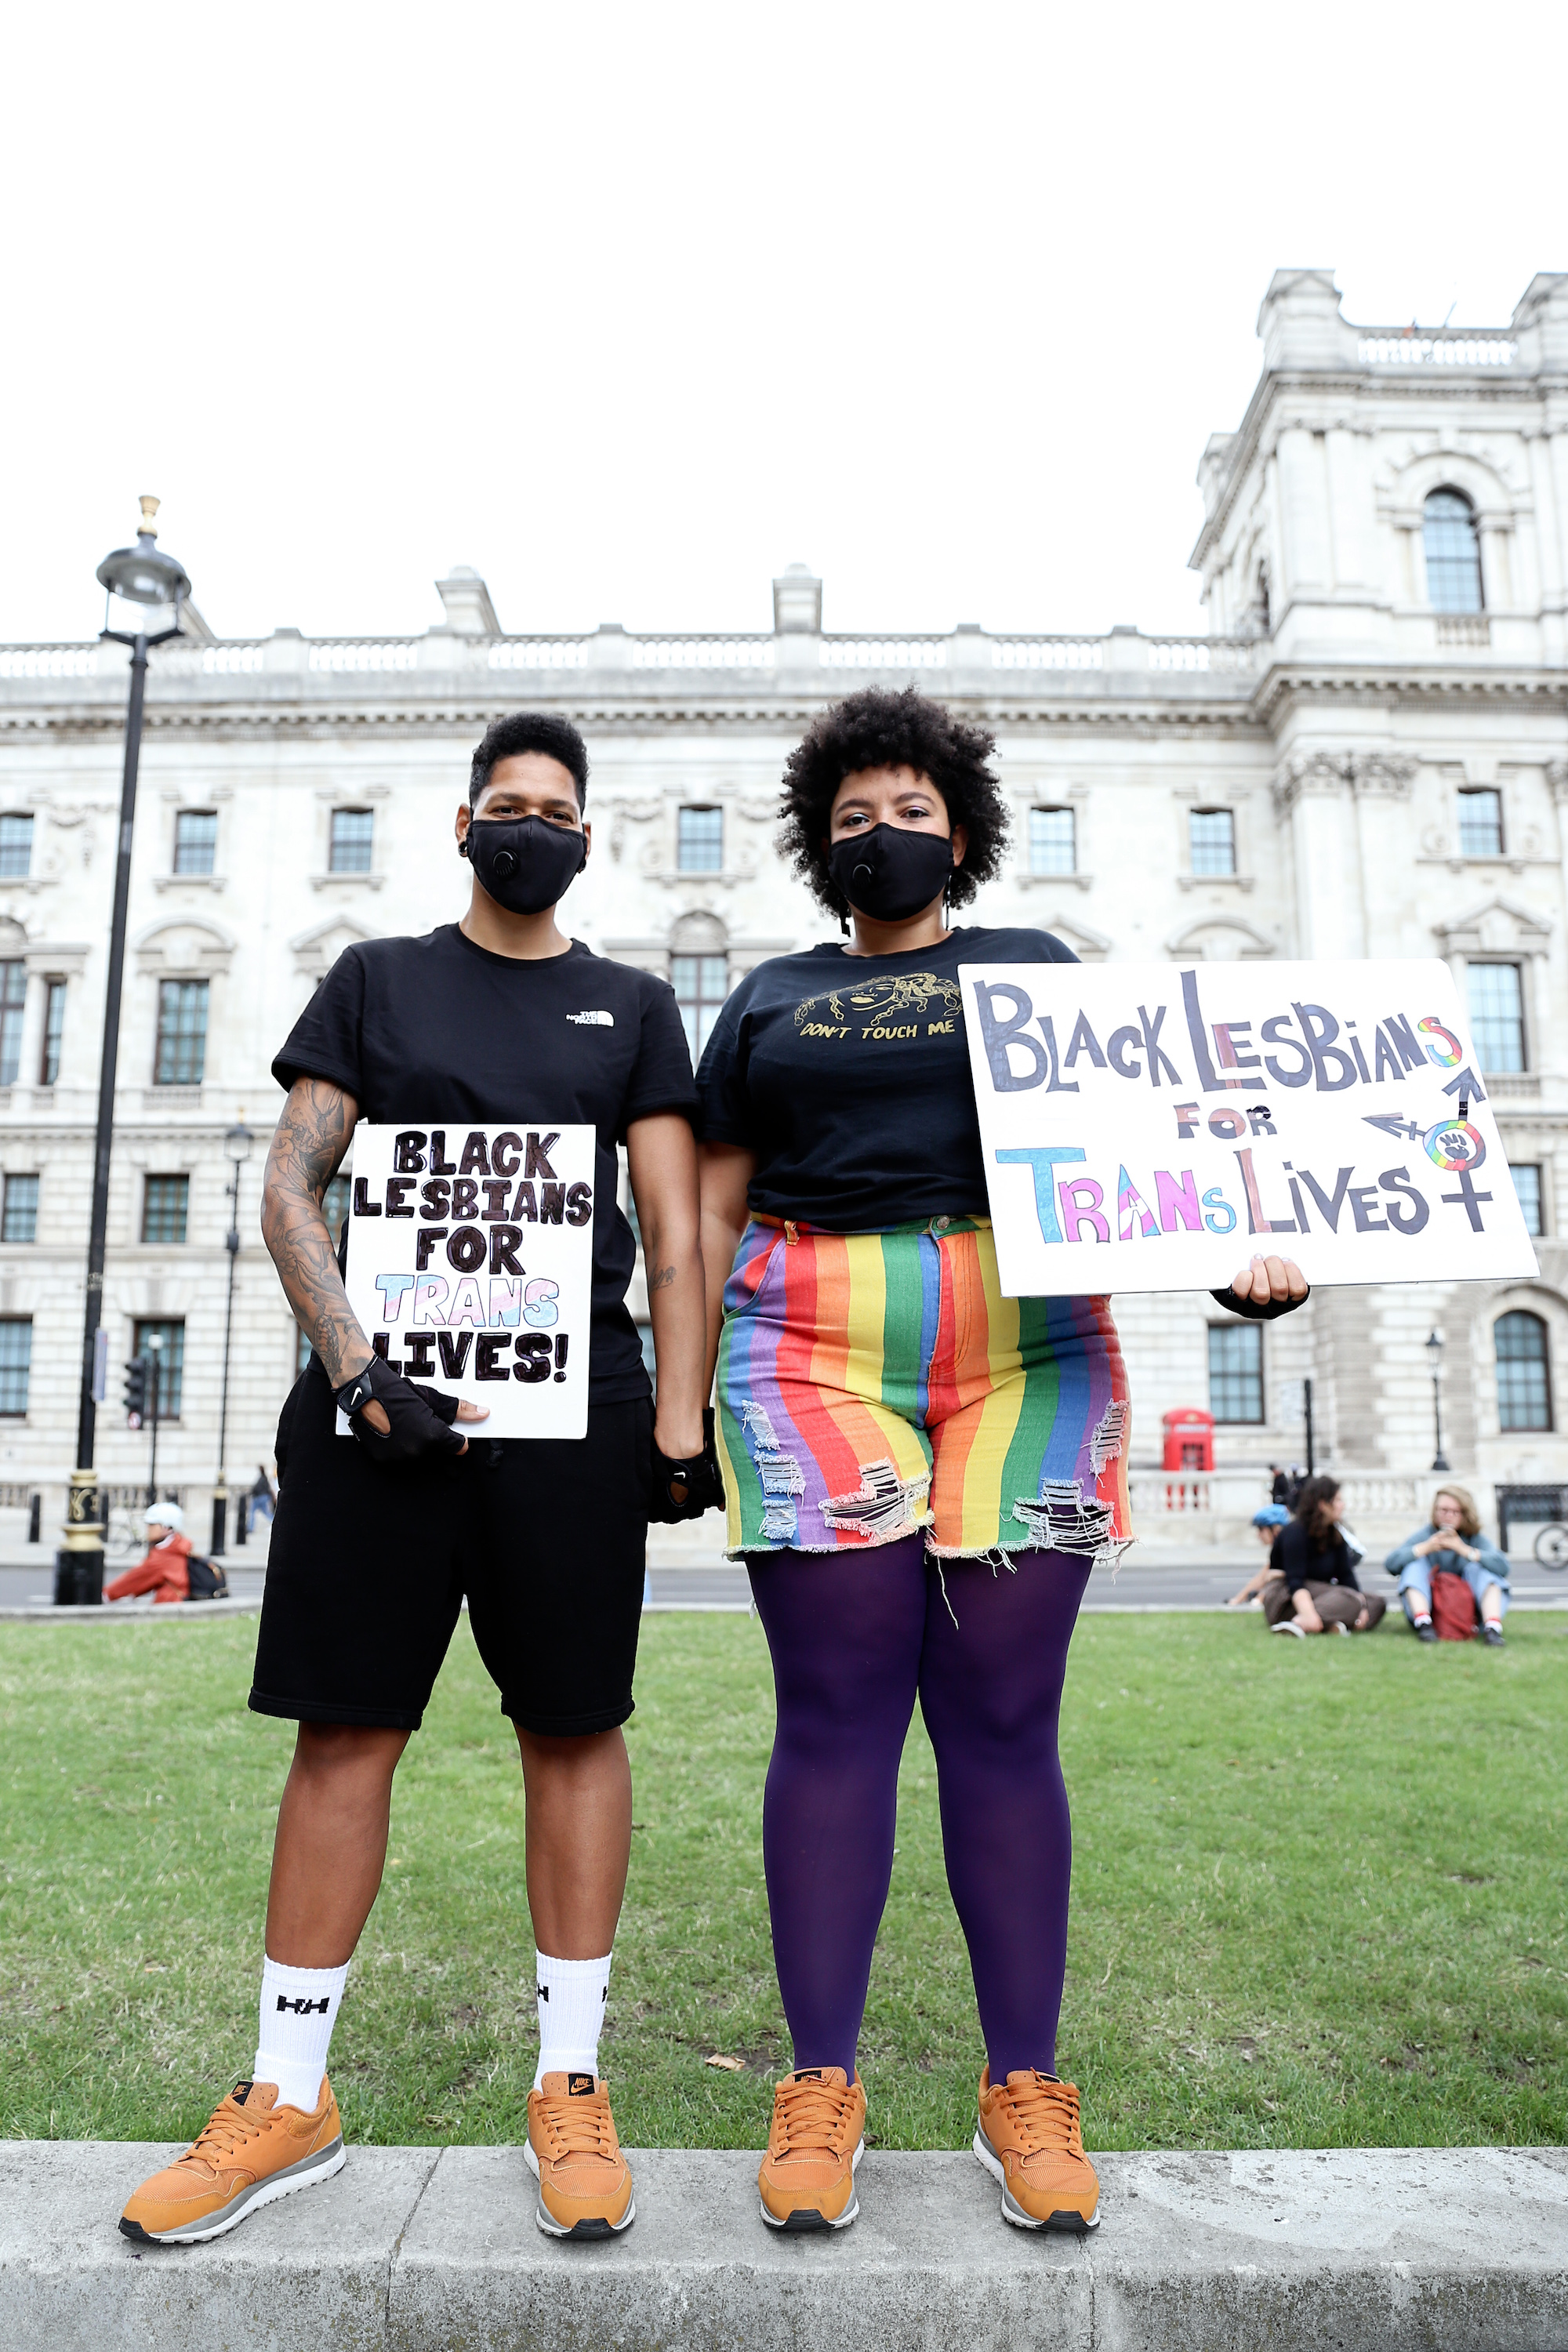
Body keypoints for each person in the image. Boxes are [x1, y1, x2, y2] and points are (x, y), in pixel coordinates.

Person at [695, 686, 1308, 2237]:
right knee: (833, 1713)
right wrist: (664, 1401)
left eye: (908, 813)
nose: (881, 836)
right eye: (851, 819)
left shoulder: (1037, 973)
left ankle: (1021, 2088)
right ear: (815, 848)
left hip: (1028, 1344)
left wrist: (1235, 1254)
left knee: (1002, 1719)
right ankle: (819, 2083)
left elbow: (1151, 1149)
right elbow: (704, 1198)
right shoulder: (765, 995)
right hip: (810, 1341)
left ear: (958, 834)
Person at [120, 710, 718, 2249]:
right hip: (376, 1425)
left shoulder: (633, 1005)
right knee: (343, 1732)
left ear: (588, 837)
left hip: (572, 1421)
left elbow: (673, 1233)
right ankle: (287, 2090)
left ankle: (570, 2080)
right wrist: (352, 1370)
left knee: (576, 1730)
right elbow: (288, 1180)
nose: (533, 825)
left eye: (557, 809)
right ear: (465, 826)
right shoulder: (377, 979)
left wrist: (677, 1420)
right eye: (508, 804)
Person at [1385, 1486, 1510, 1646]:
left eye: (1455, 1512)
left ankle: (1492, 1629)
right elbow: (1391, 1563)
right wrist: (1425, 1548)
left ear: (1465, 1514)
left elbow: (1503, 1567)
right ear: (1435, 1511)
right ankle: (1424, 1624)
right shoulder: (1427, 1534)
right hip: (1433, 1609)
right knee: (1414, 1565)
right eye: (1443, 1510)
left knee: (1485, 1570)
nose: (1448, 1516)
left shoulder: (1474, 1538)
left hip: (1468, 1612)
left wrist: (1466, 1551)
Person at [1264, 1476, 1385, 1635]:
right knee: (1348, 1599)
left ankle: (1327, 1624)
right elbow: (1295, 1581)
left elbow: (1346, 1576)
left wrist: (1361, 1606)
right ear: (1323, 1505)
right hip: (1287, 1598)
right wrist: (1308, 1612)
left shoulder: (1334, 1535)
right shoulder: (1295, 1533)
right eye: (1338, 1501)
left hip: (1322, 1595)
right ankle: (1301, 1622)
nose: (1343, 1506)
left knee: (1376, 1603)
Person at [104, 1501, 193, 1604]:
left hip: (168, 1606)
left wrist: (107, 1594)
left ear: (167, 1528)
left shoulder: (164, 1556)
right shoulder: (178, 1546)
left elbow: (135, 1579)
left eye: (152, 1525)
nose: (148, 1529)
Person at [1228, 1504, 1290, 1606]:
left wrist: (1260, 1598)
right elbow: (1263, 1575)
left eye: (1261, 1530)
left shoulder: (1290, 1547)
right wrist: (1238, 1599)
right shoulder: (1278, 1550)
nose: (1259, 1536)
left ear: (1275, 1529)